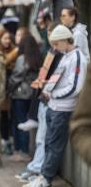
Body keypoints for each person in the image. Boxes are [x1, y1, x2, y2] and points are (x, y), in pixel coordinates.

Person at [24, 25, 88, 187]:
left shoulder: (77, 57)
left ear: (65, 40)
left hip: (63, 107)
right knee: (48, 142)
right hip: (53, 105)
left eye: (56, 44)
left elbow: (76, 87)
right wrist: (47, 87)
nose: (54, 48)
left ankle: (46, 178)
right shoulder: (65, 55)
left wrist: (53, 94)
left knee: (55, 145)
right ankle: (43, 174)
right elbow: (61, 80)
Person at [16, 22, 63, 182]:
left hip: (53, 99)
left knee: (46, 139)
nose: (50, 37)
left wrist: (46, 85)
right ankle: (36, 167)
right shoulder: (51, 51)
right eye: (49, 33)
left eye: (52, 33)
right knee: (41, 138)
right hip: (44, 97)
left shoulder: (61, 54)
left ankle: (40, 171)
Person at [8, 33, 42, 162]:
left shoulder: (22, 58)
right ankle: (29, 151)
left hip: (20, 94)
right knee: (30, 123)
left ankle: (23, 151)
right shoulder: (39, 57)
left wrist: (9, 88)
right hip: (34, 94)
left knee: (21, 123)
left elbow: (16, 76)